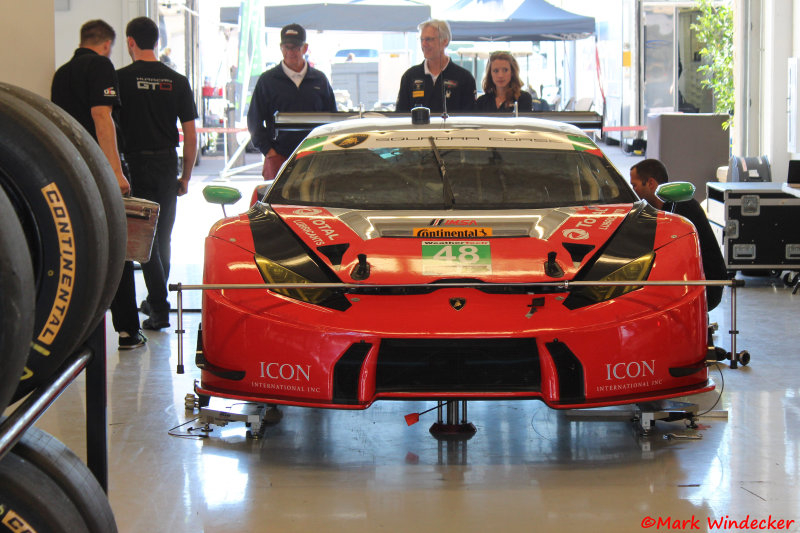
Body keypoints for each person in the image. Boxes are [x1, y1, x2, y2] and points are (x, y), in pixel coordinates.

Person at [51, 19, 146, 350]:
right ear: (107, 44)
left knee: (77, 251)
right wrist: (116, 171)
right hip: (98, 171)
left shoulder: (61, 74)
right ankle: (127, 331)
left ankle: (73, 333)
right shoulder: (102, 65)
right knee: (118, 248)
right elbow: (102, 117)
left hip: (68, 171)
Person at [116, 16, 198, 331]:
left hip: (132, 165)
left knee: (141, 240)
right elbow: (190, 135)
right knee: (161, 236)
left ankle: (159, 308)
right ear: (157, 42)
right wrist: (186, 176)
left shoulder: (119, 78)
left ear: (130, 42)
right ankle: (157, 302)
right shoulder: (176, 80)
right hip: (166, 164)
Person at [630, 159, 727, 310]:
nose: (632, 191)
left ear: (650, 183)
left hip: (706, 286)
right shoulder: (664, 209)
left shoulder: (680, 209)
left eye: (634, 185)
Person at [247, 23, 336, 180]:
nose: (290, 52)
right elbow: (254, 120)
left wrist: (325, 150)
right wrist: (269, 152)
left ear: (305, 48)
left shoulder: (320, 80)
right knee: (276, 204)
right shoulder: (267, 81)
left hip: (314, 158)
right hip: (278, 158)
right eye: (286, 47)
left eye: (295, 47)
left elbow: (333, 120)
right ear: (281, 48)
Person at [395, 19, 476, 113]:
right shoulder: (410, 76)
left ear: (445, 41)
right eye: (422, 39)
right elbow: (400, 115)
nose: (424, 44)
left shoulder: (464, 78)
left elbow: (469, 119)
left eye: (429, 39)